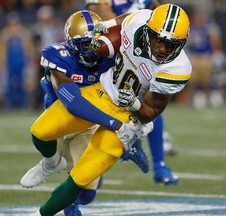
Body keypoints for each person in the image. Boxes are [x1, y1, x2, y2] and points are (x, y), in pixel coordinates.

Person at [29, 4, 191, 215]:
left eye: (171, 45)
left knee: (80, 178)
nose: (162, 48)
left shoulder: (176, 68)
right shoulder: (139, 20)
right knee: (40, 131)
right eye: (158, 39)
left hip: (128, 119)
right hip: (102, 91)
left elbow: (151, 112)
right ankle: (51, 163)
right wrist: (107, 24)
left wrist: (134, 104)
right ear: (148, 29)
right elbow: (125, 19)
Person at [20, 10, 151, 215]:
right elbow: (73, 103)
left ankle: (129, 150)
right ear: (71, 43)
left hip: (89, 123)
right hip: (63, 121)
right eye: (85, 45)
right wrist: (114, 124)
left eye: (95, 44)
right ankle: (50, 163)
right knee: (39, 134)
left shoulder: (110, 58)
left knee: (88, 194)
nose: (91, 51)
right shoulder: (58, 56)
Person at [86, 0, 180, 187]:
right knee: (93, 115)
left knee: (150, 104)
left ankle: (159, 164)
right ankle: (95, 171)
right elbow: (100, 14)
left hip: (137, 53)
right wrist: (130, 22)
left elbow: (158, 13)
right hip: (105, 53)